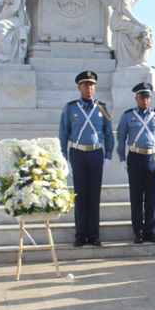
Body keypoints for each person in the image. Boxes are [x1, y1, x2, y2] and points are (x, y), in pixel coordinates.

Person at [59, 71, 114, 247]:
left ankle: (94, 234)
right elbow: (63, 134)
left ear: (94, 87)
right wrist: (65, 157)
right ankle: (81, 235)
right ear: (79, 87)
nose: (88, 88)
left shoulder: (102, 108)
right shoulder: (71, 108)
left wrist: (108, 155)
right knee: (80, 195)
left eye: (91, 85)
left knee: (94, 195)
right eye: (85, 85)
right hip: (77, 154)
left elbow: (108, 135)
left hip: (96, 154)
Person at [116, 82, 155, 244]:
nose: (145, 100)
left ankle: (150, 230)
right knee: (136, 196)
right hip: (135, 158)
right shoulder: (127, 116)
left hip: (153, 158)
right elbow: (121, 139)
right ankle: (138, 231)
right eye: (142, 97)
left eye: (147, 97)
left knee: (153, 196)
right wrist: (122, 159)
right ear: (136, 98)